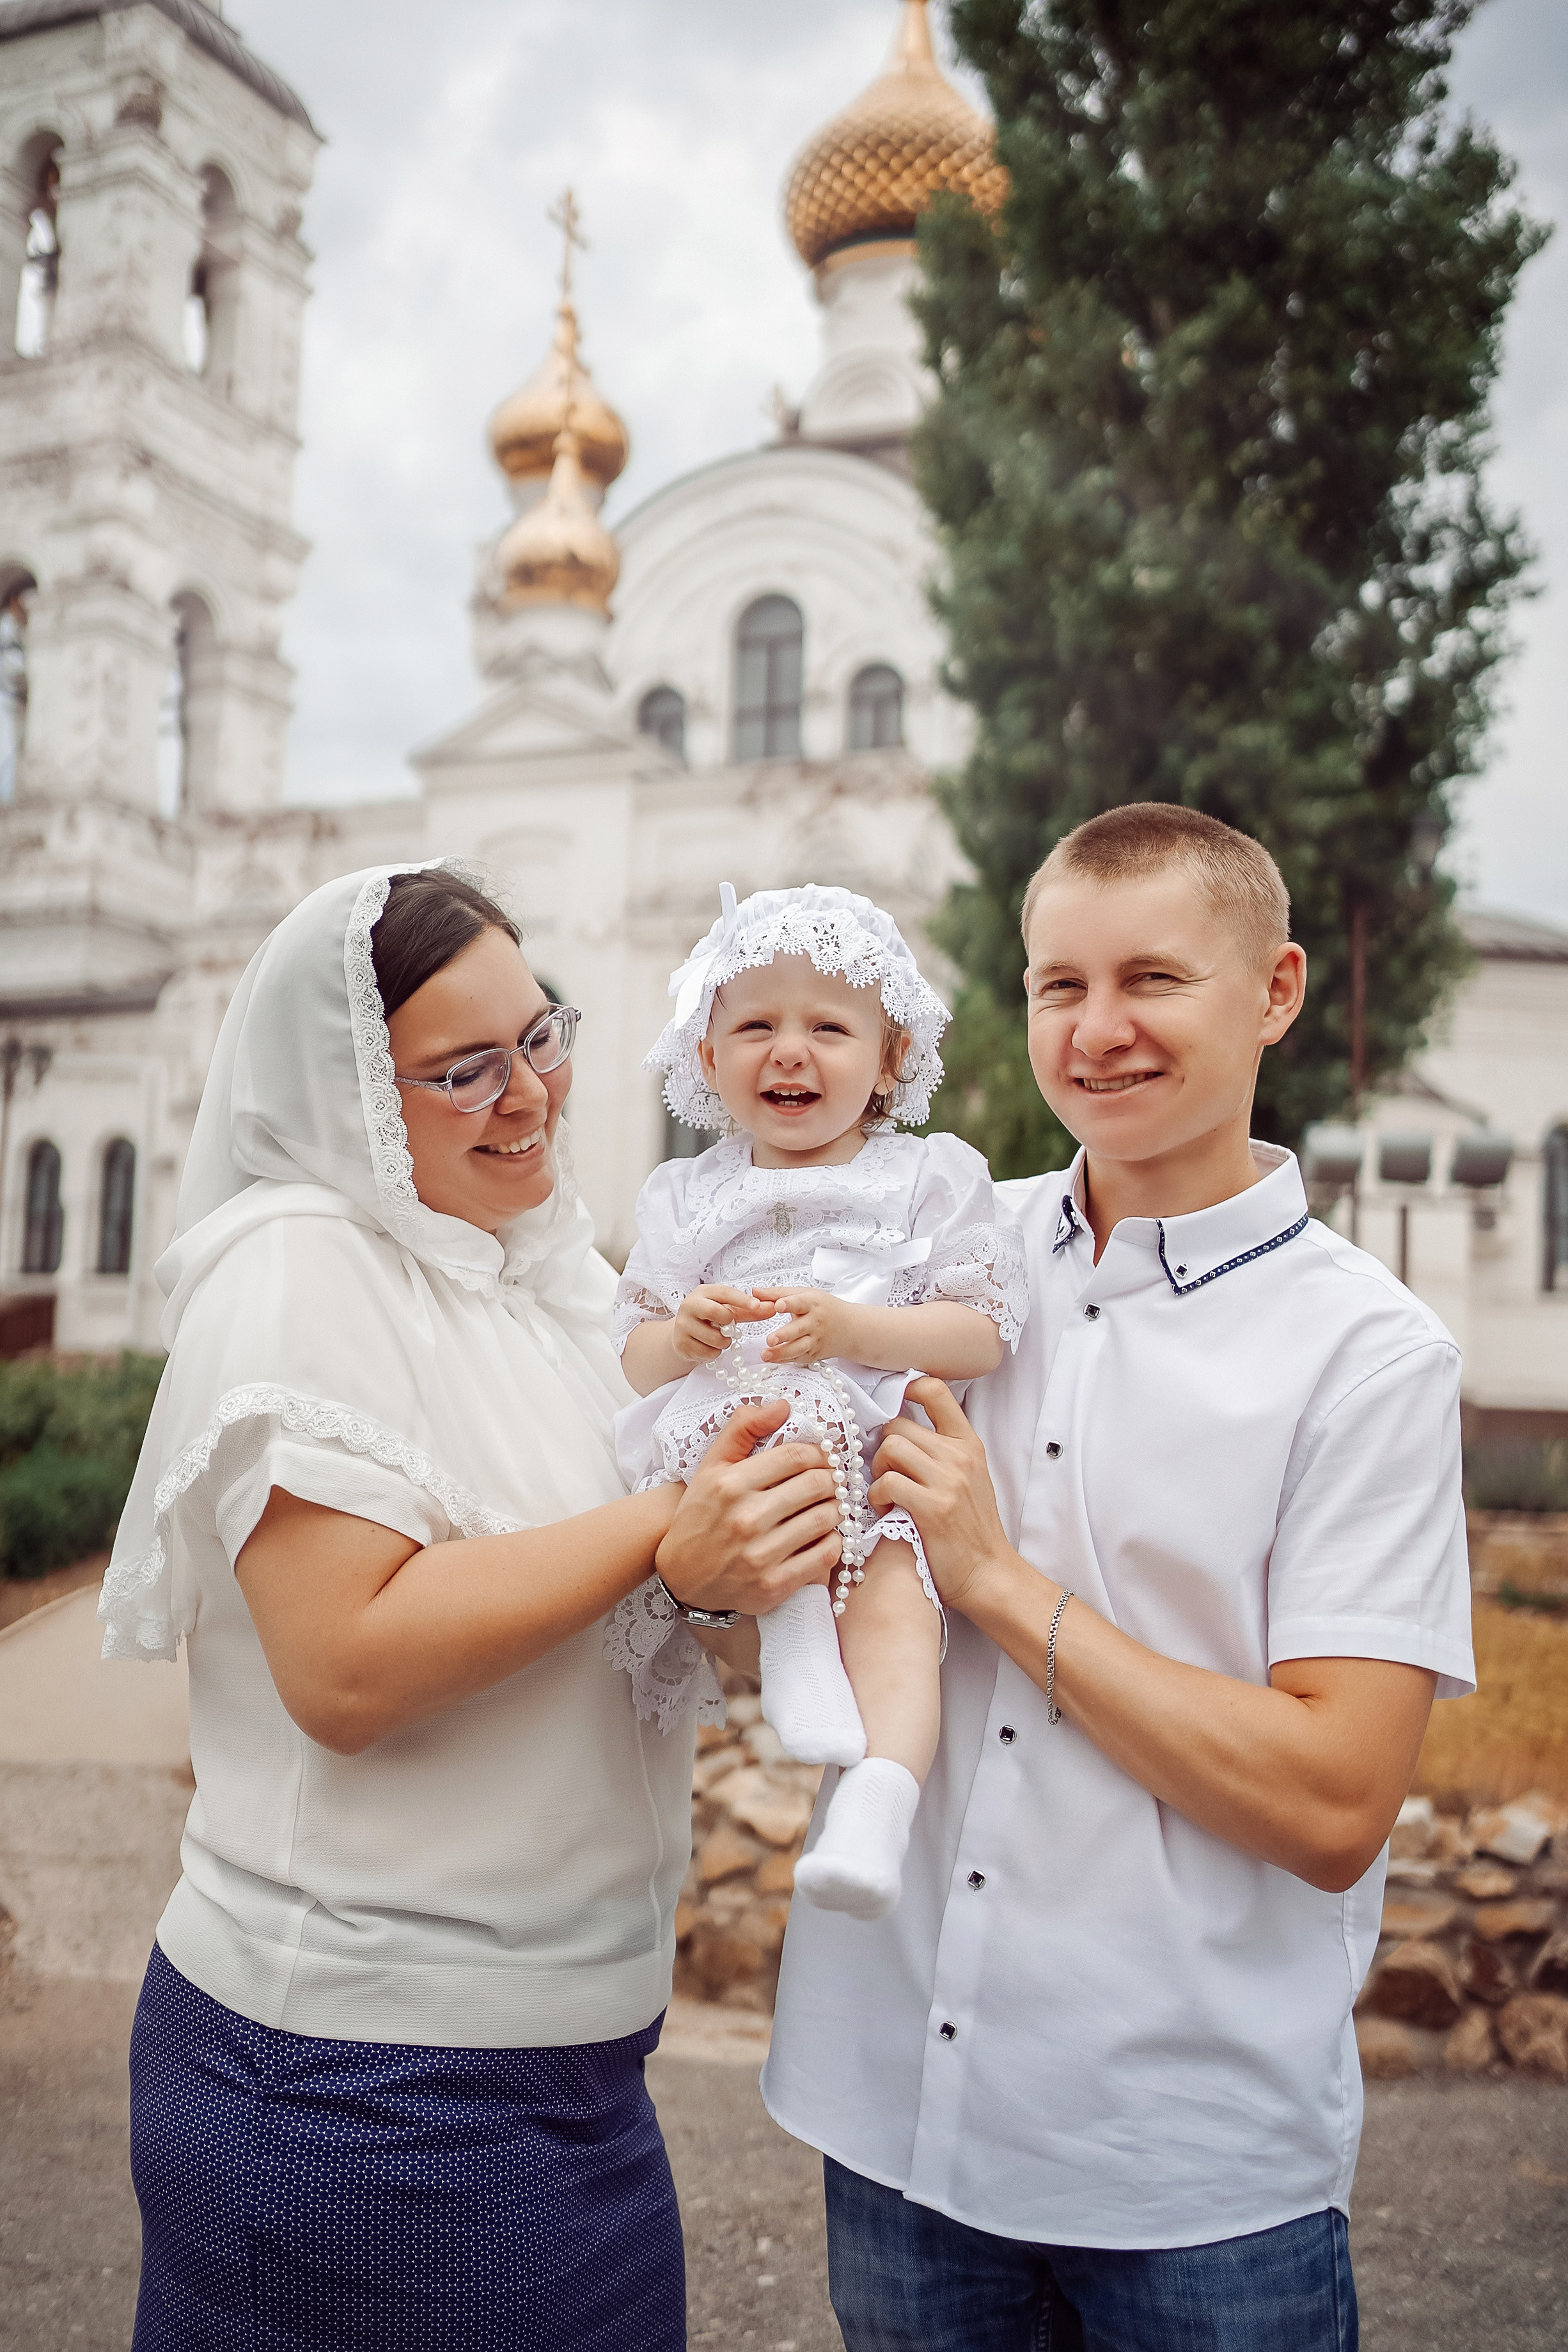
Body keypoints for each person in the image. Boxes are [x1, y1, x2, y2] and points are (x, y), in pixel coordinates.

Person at [99, 860, 840, 2352]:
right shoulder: (302, 1269)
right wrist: (660, 1534)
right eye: (462, 1071)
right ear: (347, 1091)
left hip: (570, 2059)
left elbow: (618, 1587)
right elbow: (345, 1664)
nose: (530, 1097)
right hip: (358, 2084)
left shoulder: (547, 1279)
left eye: (542, 1037)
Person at [762, 804, 1475, 2351]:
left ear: (1274, 991)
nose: (1095, 1033)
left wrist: (996, 1584)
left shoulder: (1365, 1359)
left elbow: (1332, 1805)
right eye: (1055, 986)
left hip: (1187, 2179)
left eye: (1150, 978)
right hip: (892, 2122)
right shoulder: (921, 1267)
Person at [608, 883, 1027, 1920]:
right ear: (707, 1059)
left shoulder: (927, 1178)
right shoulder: (684, 1195)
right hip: (747, 1451)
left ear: (890, 1058)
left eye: (828, 1027)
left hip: (882, 1453)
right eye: (754, 1025)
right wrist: (685, 1334)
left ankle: (879, 1808)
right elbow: (634, 1354)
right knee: (767, 1460)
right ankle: (793, 1641)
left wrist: (855, 1331)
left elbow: (985, 1325)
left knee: (895, 1604)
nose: (789, 1050)